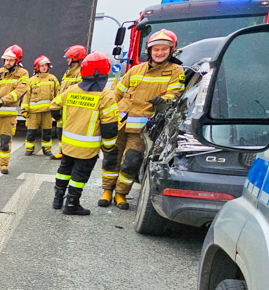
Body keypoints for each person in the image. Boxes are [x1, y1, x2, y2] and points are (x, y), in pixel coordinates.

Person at [101, 29, 185, 210]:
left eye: (164, 49)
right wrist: (108, 115)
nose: (160, 52)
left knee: (131, 161)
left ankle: (121, 194)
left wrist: (165, 100)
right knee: (111, 157)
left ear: (171, 50)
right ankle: (107, 190)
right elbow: (117, 94)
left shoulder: (175, 71)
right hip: (120, 122)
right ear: (150, 51)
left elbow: (175, 93)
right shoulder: (136, 70)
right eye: (156, 49)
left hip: (142, 127)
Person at [50, 51, 120, 215]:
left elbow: (54, 105)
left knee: (64, 170)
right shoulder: (106, 96)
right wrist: (108, 148)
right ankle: (72, 204)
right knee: (79, 177)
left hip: (68, 144)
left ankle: (58, 199)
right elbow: (109, 127)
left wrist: (61, 120)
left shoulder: (72, 90)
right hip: (87, 148)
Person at [0, 45, 29, 175]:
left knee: (5, 140)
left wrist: (2, 101)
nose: (7, 62)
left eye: (11, 60)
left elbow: (19, 91)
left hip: (8, 114)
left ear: (17, 60)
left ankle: (4, 164)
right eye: (6, 60)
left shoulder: (23, 73)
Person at [50, 45, 87, 160]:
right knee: (60, 131)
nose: (67, 60)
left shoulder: (80, 73)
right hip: (64, 108)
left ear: (75, 58)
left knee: (71, 132)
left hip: (72, 109)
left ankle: (69, 153)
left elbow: (77, 91)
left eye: (69, 58)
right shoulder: (68, 72)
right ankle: (62, 151)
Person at [22, 55, 60, 156]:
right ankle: (29, 149)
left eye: (46, 65)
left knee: (47, 131)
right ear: (37, 67)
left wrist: (58, 108)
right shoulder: (31, 80)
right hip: (33, 112)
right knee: (31, 131)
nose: (44, 67)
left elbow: (58, 95)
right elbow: (26, 96)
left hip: (47, 111)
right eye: (42, 65)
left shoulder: (53, 79)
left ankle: (47, 149)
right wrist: (24, 109)